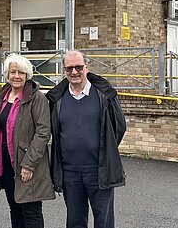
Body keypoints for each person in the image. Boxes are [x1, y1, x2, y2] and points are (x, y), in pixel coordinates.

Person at [46, 50, 127, 228]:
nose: (74, 72)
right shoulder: (56, 99)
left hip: (99, 170)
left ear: (86, 68)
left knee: (104, 222)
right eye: (69, 68)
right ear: (64, 71)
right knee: (75, 222)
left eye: (78, 67)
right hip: (70, 173)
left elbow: (119, 126)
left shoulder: (104, 96)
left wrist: (107, 150)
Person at [0, 53, 55, 228]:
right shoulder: (4, 97)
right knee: (15, 208)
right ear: (6, 75)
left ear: (27, 75)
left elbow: (43, 133)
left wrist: (29, 164)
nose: (16, 76)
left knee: (31, 212)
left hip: (27, 164)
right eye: (12, 72)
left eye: (20, 72)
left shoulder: (37, 98)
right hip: (7, 164)